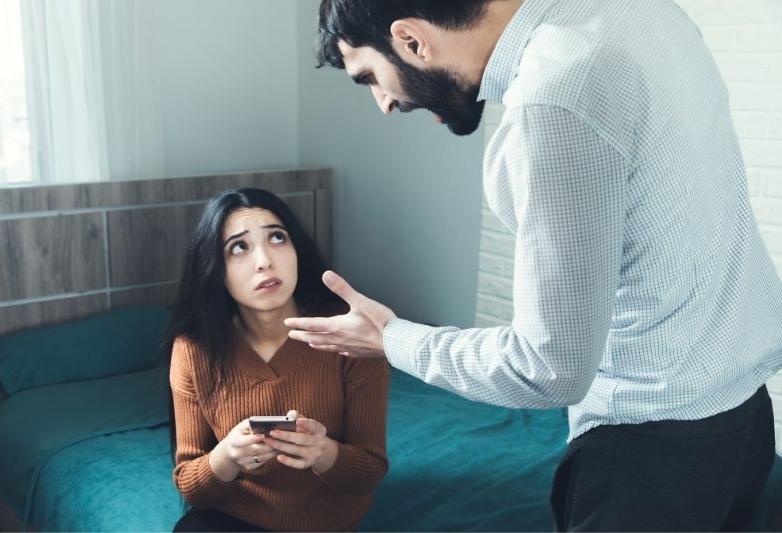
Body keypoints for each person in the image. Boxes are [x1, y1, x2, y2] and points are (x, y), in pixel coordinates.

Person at [285, 0, 782, 530]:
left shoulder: (558, 93)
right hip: (746, 418)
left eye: (370, 78)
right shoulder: (645, 12)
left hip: (652, 455)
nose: (383, 103)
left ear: (410, 40)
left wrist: (391, 338)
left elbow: (549, 369)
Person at [165, 188, 389, 532]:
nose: (265, 260)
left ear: (297, 249)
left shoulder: (351, 336)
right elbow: (192, 487)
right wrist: (227, 456)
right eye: (239, 246)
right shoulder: (194, 349)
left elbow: (369, 471)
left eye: (277, 238)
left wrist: (323, 452)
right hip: (233, 519)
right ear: (215, 269)